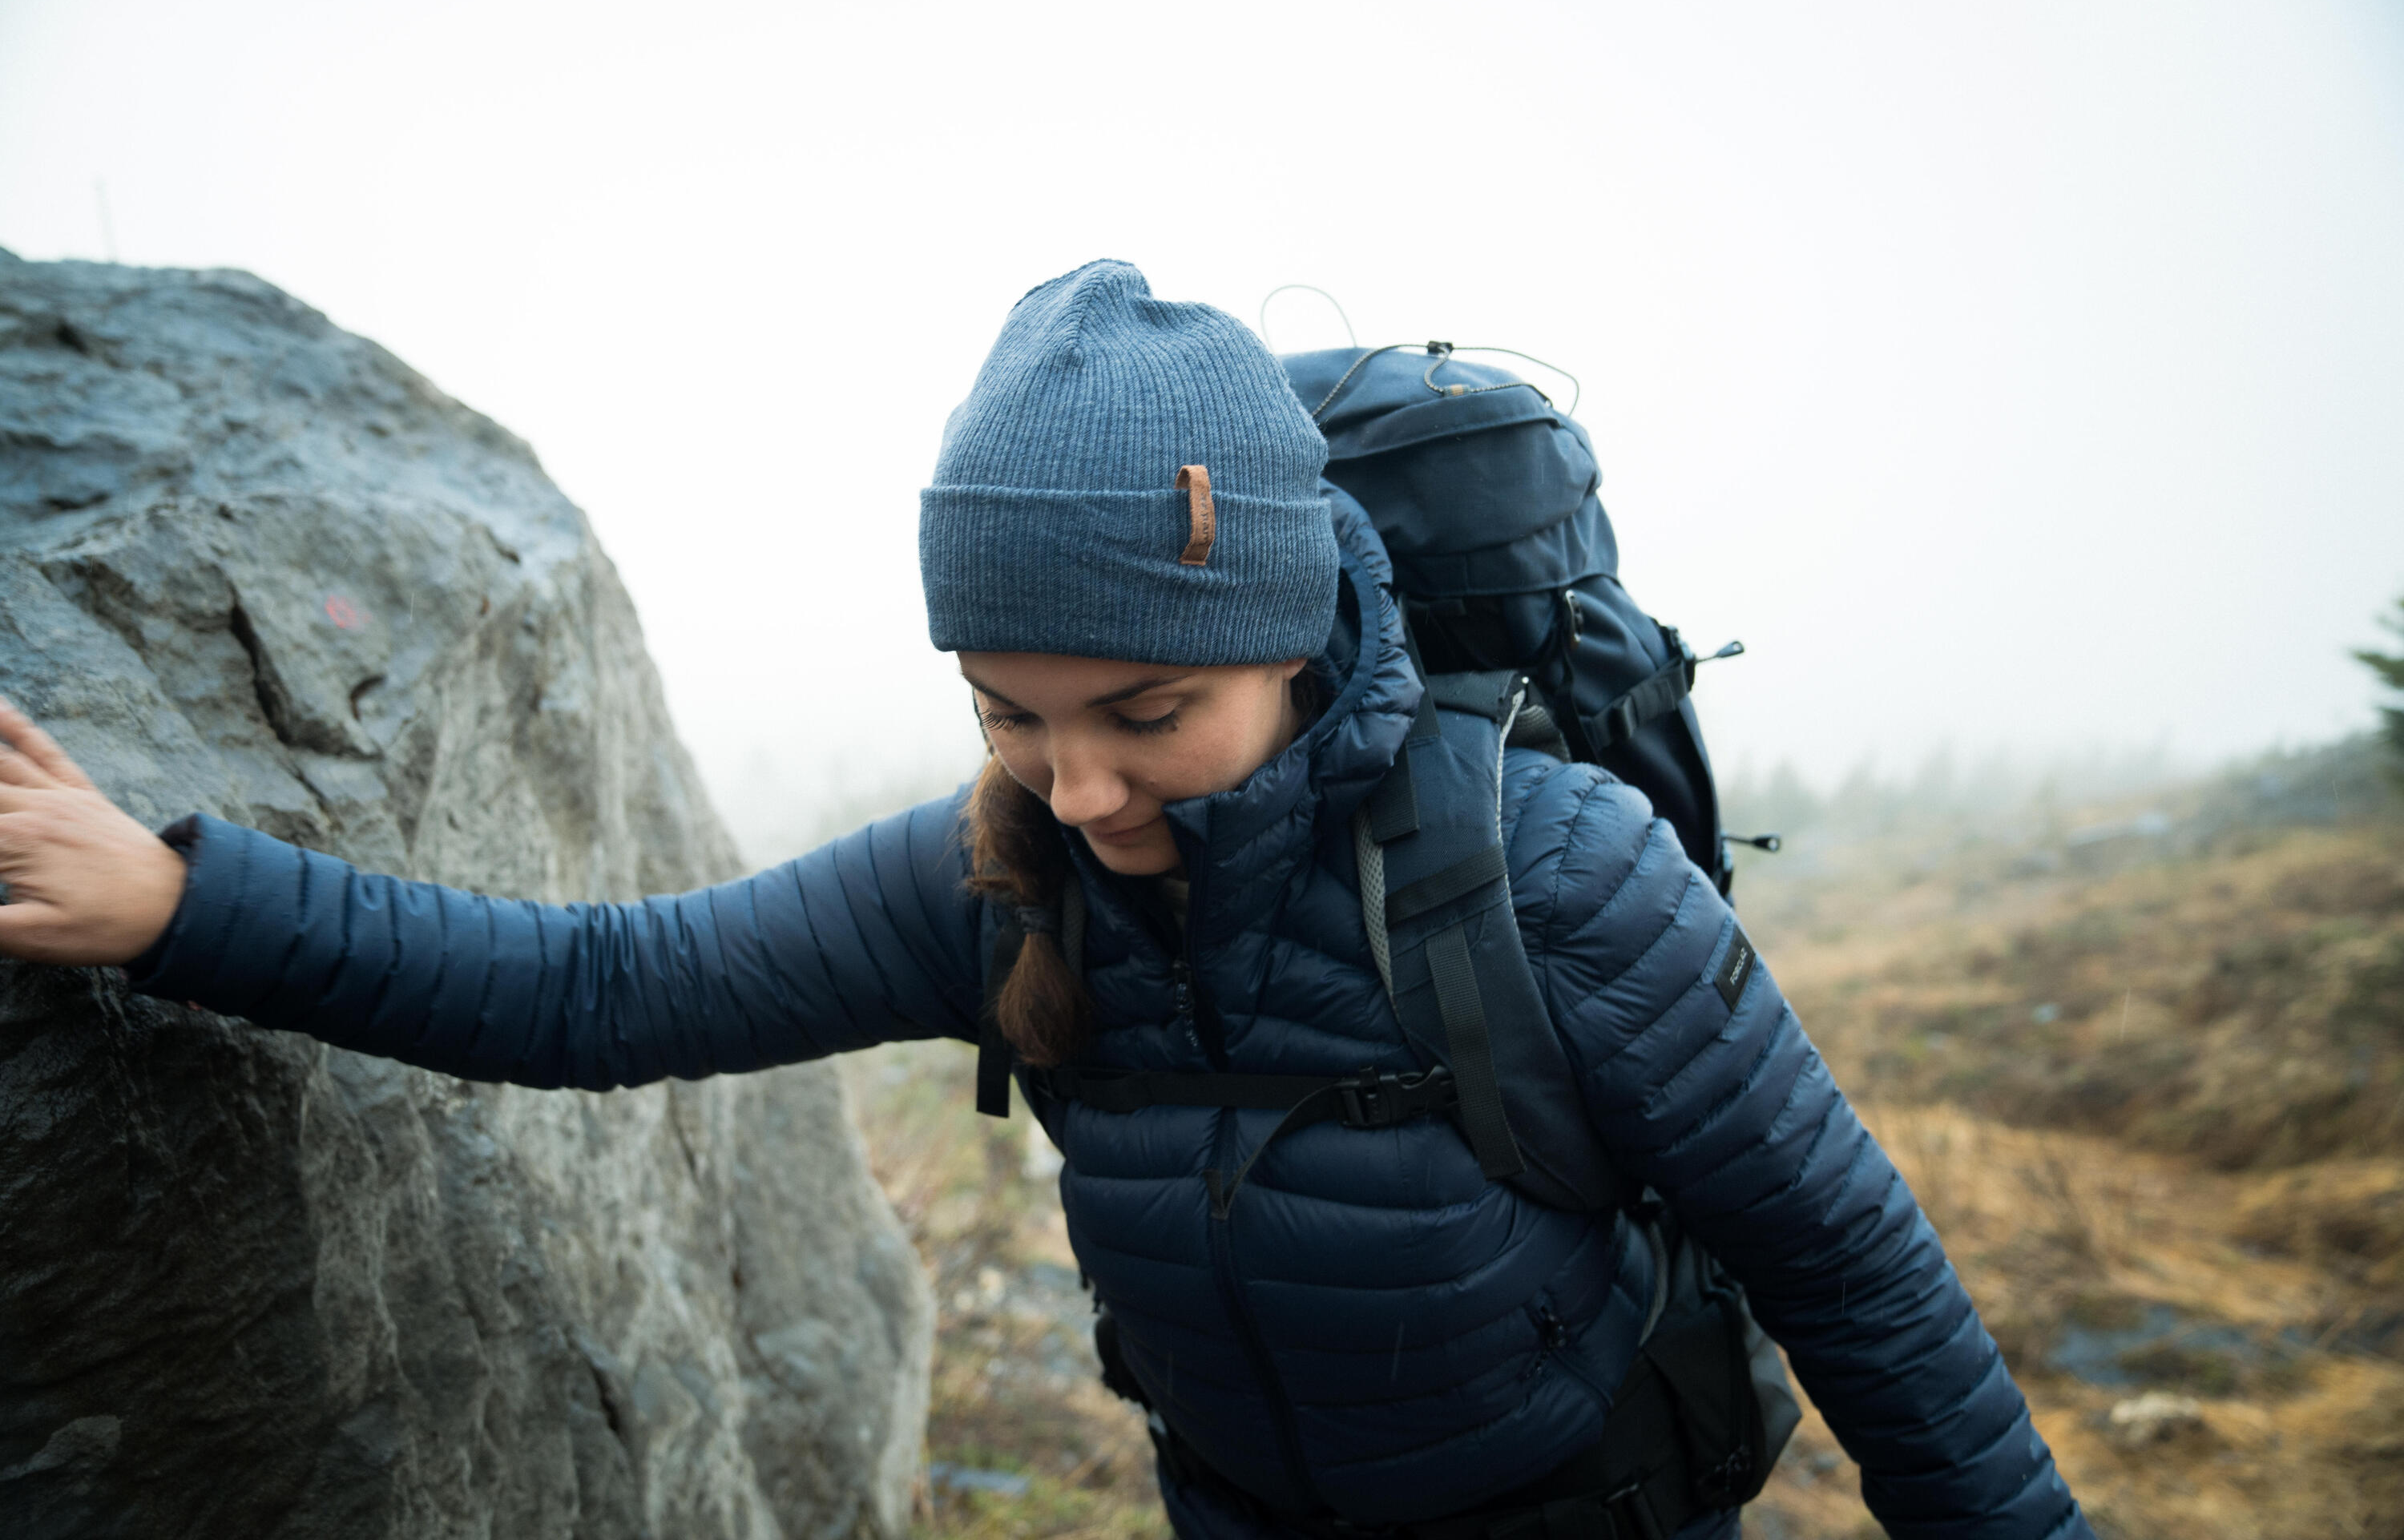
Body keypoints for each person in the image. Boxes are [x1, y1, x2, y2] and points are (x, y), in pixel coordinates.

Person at [0, 260, 2089, 1540]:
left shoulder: (1547, 879)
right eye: (1007, 711)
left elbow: (1860, 1279)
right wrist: (183, 904)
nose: (1078, 787)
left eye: (1149, 712)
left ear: (1291, 637)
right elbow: (601, 992)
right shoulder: (1002, 879)